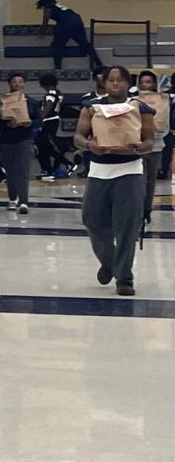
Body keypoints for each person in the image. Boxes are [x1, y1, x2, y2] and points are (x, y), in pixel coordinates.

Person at [75, 65, 155, 297]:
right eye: (111, 80)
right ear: (104, 83)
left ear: (128, 83)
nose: (115, 84)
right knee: (92, 220)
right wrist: (90, 146)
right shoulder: (91, 108)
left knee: (126, 227)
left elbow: (149, 141)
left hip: (129, 172)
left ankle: (124, 278)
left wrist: (139, 147)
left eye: (120, 80)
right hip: (99, 171)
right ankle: (109, 262)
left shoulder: (141, 108)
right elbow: (78, 138)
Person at [0, 72, 41, 214]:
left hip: (25, 139)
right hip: (6, 139)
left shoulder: (31, 102)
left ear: (24, 84)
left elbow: (39, 121)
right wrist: (6, 123)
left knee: (23, 170)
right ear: (9, 84)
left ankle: (24, 201)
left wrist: (29, 123)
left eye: (20, 82)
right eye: (14, 82)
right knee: (10, 171)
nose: (17, 84)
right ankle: (13, 198)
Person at [135, 70, 168, 224]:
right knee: (140, 179)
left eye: (148, 82)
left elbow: (165, 124)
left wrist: (157, 132)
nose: (145, 85)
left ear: (154, 83)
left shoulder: (164, 100)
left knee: (151, 181)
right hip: (139, 146)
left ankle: (147, 209)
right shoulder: (133, 100)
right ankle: (139, 210)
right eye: (143, 82)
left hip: (157, 146)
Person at [37, 0, 103, 71]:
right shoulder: (60, 6)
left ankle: (57, 67)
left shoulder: (48, 7)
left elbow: (45, 21)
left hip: (65, 24)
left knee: (57, 46)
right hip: (77, 21)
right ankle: (98, 62)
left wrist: (42, 32)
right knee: (84, 44)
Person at [37, 73, 72, 181]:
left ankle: (67, 163)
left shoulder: (51, 94)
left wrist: (40, 118)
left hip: (49, 121)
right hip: (55, 120)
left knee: (45, 145)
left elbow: (48, 106)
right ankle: (48, 170)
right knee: (43, 147)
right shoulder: (59, 93)